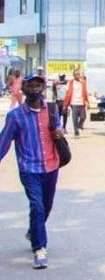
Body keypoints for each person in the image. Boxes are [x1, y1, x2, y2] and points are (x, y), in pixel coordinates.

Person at [0, 73, 64, 269]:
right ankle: (39, 249)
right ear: (24, 89)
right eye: (31, 86)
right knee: (37, 205)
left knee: (46, 205)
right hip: (29, 168)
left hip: (51, 166)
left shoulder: (52, 110)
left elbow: (59, 128)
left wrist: (59, 132)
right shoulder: (15, 117)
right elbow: (3, 142)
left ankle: (34, 230)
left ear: (43, 89)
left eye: (38, 86)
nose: (35, 89)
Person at [63, 69, 88, 138]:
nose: (78, 75)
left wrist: (87, 101)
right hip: (73, 103)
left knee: (83, 117)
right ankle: (76, 132)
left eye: (79, 74)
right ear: (73, 75)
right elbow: (68, 93)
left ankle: (80, 125)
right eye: (76, 74)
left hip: (81, 102)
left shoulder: (83, 82)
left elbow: (85, 92)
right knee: (75, 118)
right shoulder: (70, 83)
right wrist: (65, 104)